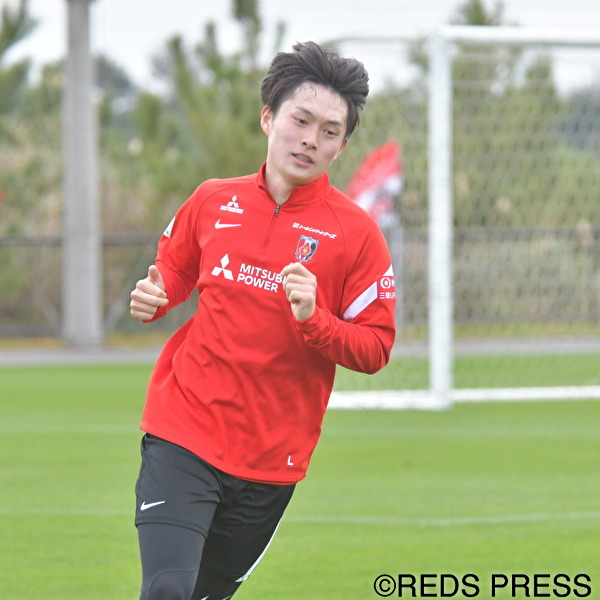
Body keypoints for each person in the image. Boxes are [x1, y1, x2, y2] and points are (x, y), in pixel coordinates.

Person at [129, 40, 397, 600]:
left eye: (329, 131)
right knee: (168, 589)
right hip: (184, 431)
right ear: (268, 118)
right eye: (301, 120)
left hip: (272, 460)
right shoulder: (212, 199)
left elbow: (375, 348)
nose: (311, 139)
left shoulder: (357, 235)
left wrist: (316, 319)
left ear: (342, 147)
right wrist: (159, 294)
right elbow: (177, 268)